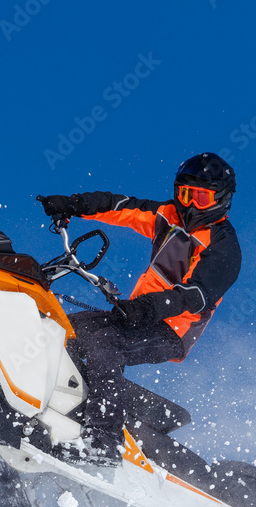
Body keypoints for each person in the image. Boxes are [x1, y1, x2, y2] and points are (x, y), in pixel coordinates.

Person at [37, 153, 241, 463]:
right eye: (185, 194)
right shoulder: (167, 215)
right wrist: (72, 204)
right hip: (138, 314)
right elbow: (120, 206)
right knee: (64, 329)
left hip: (172, 330)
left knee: (105, 345)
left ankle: (104, 442)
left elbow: (195, 295)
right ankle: (51, 398)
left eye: (201, 198)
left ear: (221, 200)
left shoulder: (223, 246)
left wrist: (147, 307)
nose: (189, 205)